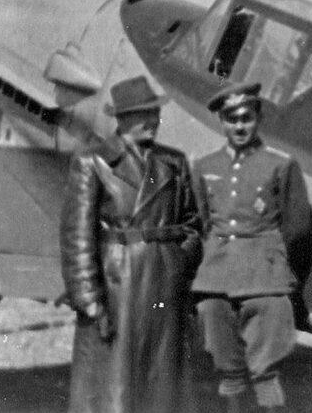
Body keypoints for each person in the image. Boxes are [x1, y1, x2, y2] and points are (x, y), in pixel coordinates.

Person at [60, 76, 201, 413]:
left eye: (154, 113)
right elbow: (77, 239)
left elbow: (193, 225)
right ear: (120, 120)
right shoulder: (92, 161)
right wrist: (90, 302)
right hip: (117, 291)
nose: (152, 121)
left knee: (162, 386)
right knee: (113, 389)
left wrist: (178, 266)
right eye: (142, 114)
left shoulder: (174, 162)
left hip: (162, 290)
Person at [191, 82, 312, 412]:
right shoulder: (205, 167)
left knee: (265, 373)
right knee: (229, 371)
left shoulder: (281, 165)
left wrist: (282, 275)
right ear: (222, 122)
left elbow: (298, 228)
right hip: (216, 281)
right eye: (232, 119)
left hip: (264, 280)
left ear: (258, 118)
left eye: (246, 117)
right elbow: (203, 222)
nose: (240, 126)